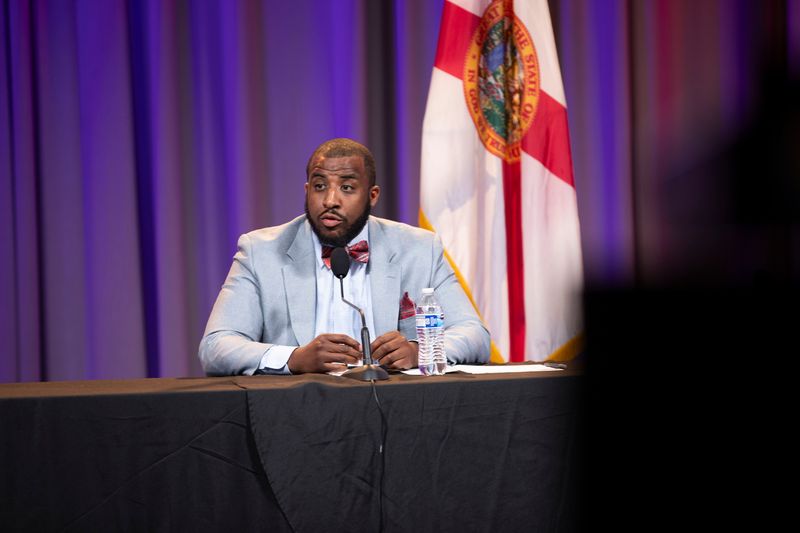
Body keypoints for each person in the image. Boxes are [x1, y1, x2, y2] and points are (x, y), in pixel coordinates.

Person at [199, 138, 490, 375]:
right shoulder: (261, 251)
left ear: (372, 195)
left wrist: (420, 351)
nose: (330, 201)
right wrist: (293, 358)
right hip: (296, 412)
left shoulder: (419, 248)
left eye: (347, 188)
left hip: (397, 410)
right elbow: (216, 347)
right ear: (306, 190)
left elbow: (475, 335)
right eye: (320, 186)